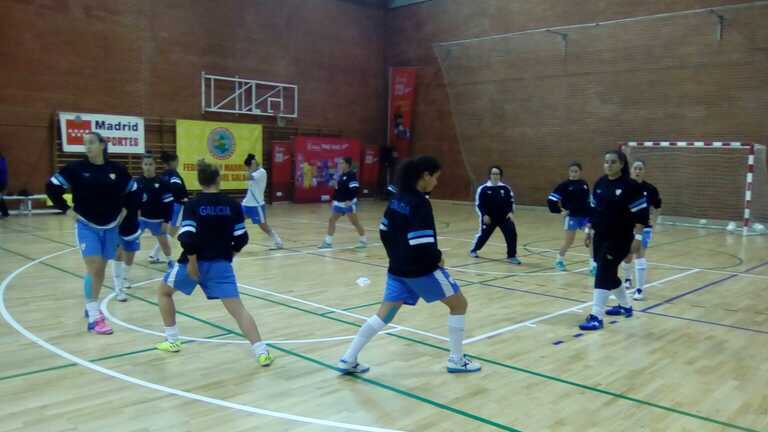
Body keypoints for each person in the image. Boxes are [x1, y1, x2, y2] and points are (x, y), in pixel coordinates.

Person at [336, 155, 481, 374]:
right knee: (459, 305)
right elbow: (421, 243)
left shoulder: (398, 198)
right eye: (436, 177)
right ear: (425, 176)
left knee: (384, 315)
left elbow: (384, 231)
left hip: (397, 269)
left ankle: (348, 358)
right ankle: (457, 360)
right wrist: (437, 257)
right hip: (421, 270)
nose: (436, 183)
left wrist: (396, 257)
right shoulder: (419, 203)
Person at [154, 160, 273, 367]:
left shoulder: (193, 205)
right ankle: (261, 352)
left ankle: (172, 340)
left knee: (164, 293)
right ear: (219, 179)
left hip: (191, 264)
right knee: (239, 311)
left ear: (199, 181)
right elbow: (242, 238)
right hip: (221, 265)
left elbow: (187, 237)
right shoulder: (232, 205)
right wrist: (230, 255)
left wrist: (192, 264)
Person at [46, 132, 138, 335]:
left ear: (102, 145)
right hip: (87, 226)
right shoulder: (76, 169)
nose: (87, 147)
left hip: (111, 226)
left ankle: (91, 306)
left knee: (100, 270)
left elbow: (133, 191)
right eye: (85, 144)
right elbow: (51, 187)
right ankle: (95, 318)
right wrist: (66, 209)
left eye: (91, 143)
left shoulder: (117, 169)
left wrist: (126, 210)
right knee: (94, 266)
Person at [580, 150, 649, 331]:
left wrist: (638, 238)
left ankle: (596, 316)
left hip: (620, 238)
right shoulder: (600, 183)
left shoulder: (631, 186)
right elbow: (594, 210)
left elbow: (642, 215)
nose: (608, 165)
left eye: (613, 162)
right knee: (608, 273)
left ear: (621, 164)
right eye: (606, 162)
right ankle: (626, 306)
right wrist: (588, 230)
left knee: (603, 271)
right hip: (600, 236)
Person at [113, 153, 175, 300]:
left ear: (155, 165)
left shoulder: (162, 183)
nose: (148, 167)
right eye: (145, 164)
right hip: (140, 220)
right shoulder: (136, 183)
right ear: (142, 166)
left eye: (150, 164)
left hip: (157, 220)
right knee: (127, 247)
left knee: (164, 243)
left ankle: (170, 261)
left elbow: (169, 204)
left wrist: (166, 221)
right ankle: (124, 277)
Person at [620, 160, 662, 300]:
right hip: (626, 226)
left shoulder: (650, 189)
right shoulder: (624, 187)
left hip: (643, 227)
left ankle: (639, 290)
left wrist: (654, 222)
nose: (638, 171)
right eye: (635, 168)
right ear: (631, 170)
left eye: (640, 168)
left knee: (639, 253)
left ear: (644, 171)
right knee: (627, 256)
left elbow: (657, 206)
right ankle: (627, 278)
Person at [547, 162, 597, 274]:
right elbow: (551, 199)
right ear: (569, 172)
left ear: (580, 172)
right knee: (569, 241)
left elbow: (589, 201)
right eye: (572, 171)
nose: (574, 174)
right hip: (571, 217)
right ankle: (559, 260)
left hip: (585, 217)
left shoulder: (584, 184)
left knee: (592, 237)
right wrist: (560, 211)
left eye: (576, 171)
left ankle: (593, 265)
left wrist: (592, 216)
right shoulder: (564, 185)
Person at [469, 166, 521, 264]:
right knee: (484, 235)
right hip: (489, 218)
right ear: (490, 175)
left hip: (504, 218)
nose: (495, 176)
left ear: (500, 175)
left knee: (512, 234)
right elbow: (479, 204)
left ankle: (511, 256)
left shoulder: (506, 188)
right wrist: (484, 215)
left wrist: (510, 212)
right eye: (493, 174)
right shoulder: (483, 189)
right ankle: (474, 249)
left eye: (497, 174)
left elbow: (510, 202)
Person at [148, 152, 189, 264]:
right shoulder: (174, 175)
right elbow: (176, 186)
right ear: (173, 162)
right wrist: (182, 198)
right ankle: (154, 255)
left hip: (167, 206)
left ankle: (153, 254)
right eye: (177, 161)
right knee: (171, 233)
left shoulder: (163, 175)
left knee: (167, 233)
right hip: (177, 205)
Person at [319, 157, 367, 249]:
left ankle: (363, 240)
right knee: (332, 220)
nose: (340, 165)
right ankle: (328, 243)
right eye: (339, 163)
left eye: (342, 163)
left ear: (347, 165)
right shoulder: (341, 175)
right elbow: (341, 189)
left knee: (355, 223)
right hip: (339, 203)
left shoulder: (351, 176)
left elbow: (355, 190)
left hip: (348, 204)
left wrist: (350, 200)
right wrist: (335, 188)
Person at [242, 153, 283, 249]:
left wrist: (252, 166)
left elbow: (248, 177)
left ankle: (278, 242)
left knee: (263, 226)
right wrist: (251, 167)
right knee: (236, 220)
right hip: (246, 204)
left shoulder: (261, 172)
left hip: (257, 206)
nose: (247, 168)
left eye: (248, 166)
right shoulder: (253, 171)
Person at [0, 152, 9, 218]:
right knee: (0, 198)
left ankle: (5, 213)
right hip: (3, 182)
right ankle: (5, 213)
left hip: (1, 182)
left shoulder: (1, 161)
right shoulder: (3, 160)